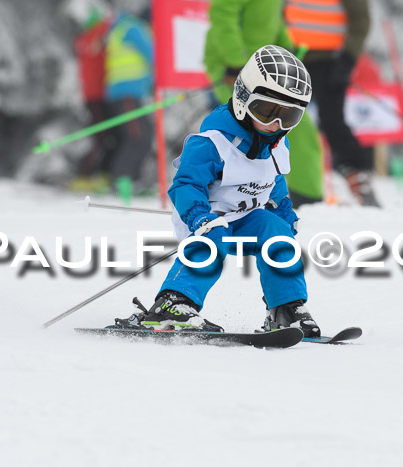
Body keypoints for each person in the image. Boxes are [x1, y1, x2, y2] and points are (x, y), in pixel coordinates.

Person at [112, 45, 321, 337]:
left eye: (288, 117)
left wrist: (284, 211)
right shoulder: (212, 143)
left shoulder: (276, 145)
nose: (275, 125)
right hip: (205, 216)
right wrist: (199, 216)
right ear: (243, 99)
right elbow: (185, 184)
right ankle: (174, 303)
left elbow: (274, 183)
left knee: (277, 232)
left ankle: (286, 308)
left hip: (247, 217)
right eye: (266, 110)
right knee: (215, 237)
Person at [204, 0, 324, 207]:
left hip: (268, 70)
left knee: (294, 125)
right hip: (238, 66)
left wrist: (287, 50)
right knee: (246, 127)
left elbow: (272, 22)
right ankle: (222, 195)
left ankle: (305, 196)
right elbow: (222, 15)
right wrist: (234, 60)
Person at [285, 0, 379, 206]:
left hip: (331, 61)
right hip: (293, 56)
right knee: (283, 119)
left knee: (333, 122)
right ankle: (277, 184)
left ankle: (359, 179)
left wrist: (348, 58)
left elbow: (360, 20)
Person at [102, 7, 154, 200]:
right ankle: (121, 182)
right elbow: (154, 54)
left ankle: (133, 180)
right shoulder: (133, 28)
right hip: (127, 91)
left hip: (128, 92)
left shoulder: (122, 27)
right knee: (137, 137)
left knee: (143, 135)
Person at [69, 1, 113, 192]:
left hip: (94, 95)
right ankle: (85, 175)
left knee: (104, 137)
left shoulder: (86, 38)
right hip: (97, 96)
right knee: (102, 138)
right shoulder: (94, 35)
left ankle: (95, 174)